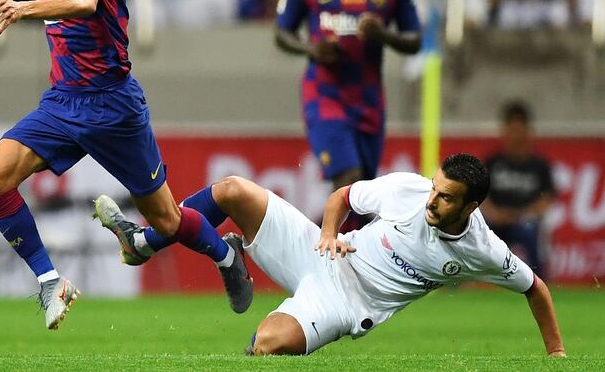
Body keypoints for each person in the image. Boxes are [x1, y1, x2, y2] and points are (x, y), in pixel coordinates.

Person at [0, 0, 252, 330]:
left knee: (167, 220)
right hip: (62, 103)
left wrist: (24, 8)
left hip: (113, 108)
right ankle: (50, 281)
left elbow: (85, 1)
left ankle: (227, 256)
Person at [94, 153, 566, 357]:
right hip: (323, 250)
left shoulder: (483, 249)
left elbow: (536, 289)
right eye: (436, 188)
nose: (432, 201)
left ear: (471, 206)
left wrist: (557, 353)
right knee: (233, 190)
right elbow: (342, 196)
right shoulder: (409, 189)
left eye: (446, 198)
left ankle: (221, 256)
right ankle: (145, 244)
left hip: (344, 304)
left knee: (268, 345)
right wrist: (326, 232)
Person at [274, 0, 422, 232]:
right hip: (324, 94)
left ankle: (345, 263)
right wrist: (311, 49)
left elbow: (414, 40)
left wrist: (383, 35)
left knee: (362, 197)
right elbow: (282, 33)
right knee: (349, 178)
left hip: (369, 100)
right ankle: (323, 256)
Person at [483, 101, 557, 278]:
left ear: (527, 131)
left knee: (530, 232)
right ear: (505, 131)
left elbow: (546, 198)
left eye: (520, 130)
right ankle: (465, 285)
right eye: (512, 130)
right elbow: (480, 196)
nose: (516, 136)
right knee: (476, 233)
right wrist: (495, 214)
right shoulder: (493, 162)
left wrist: (522, 215)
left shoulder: (539, 165)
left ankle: (539, 284)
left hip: (524, 221)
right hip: (496, 222)